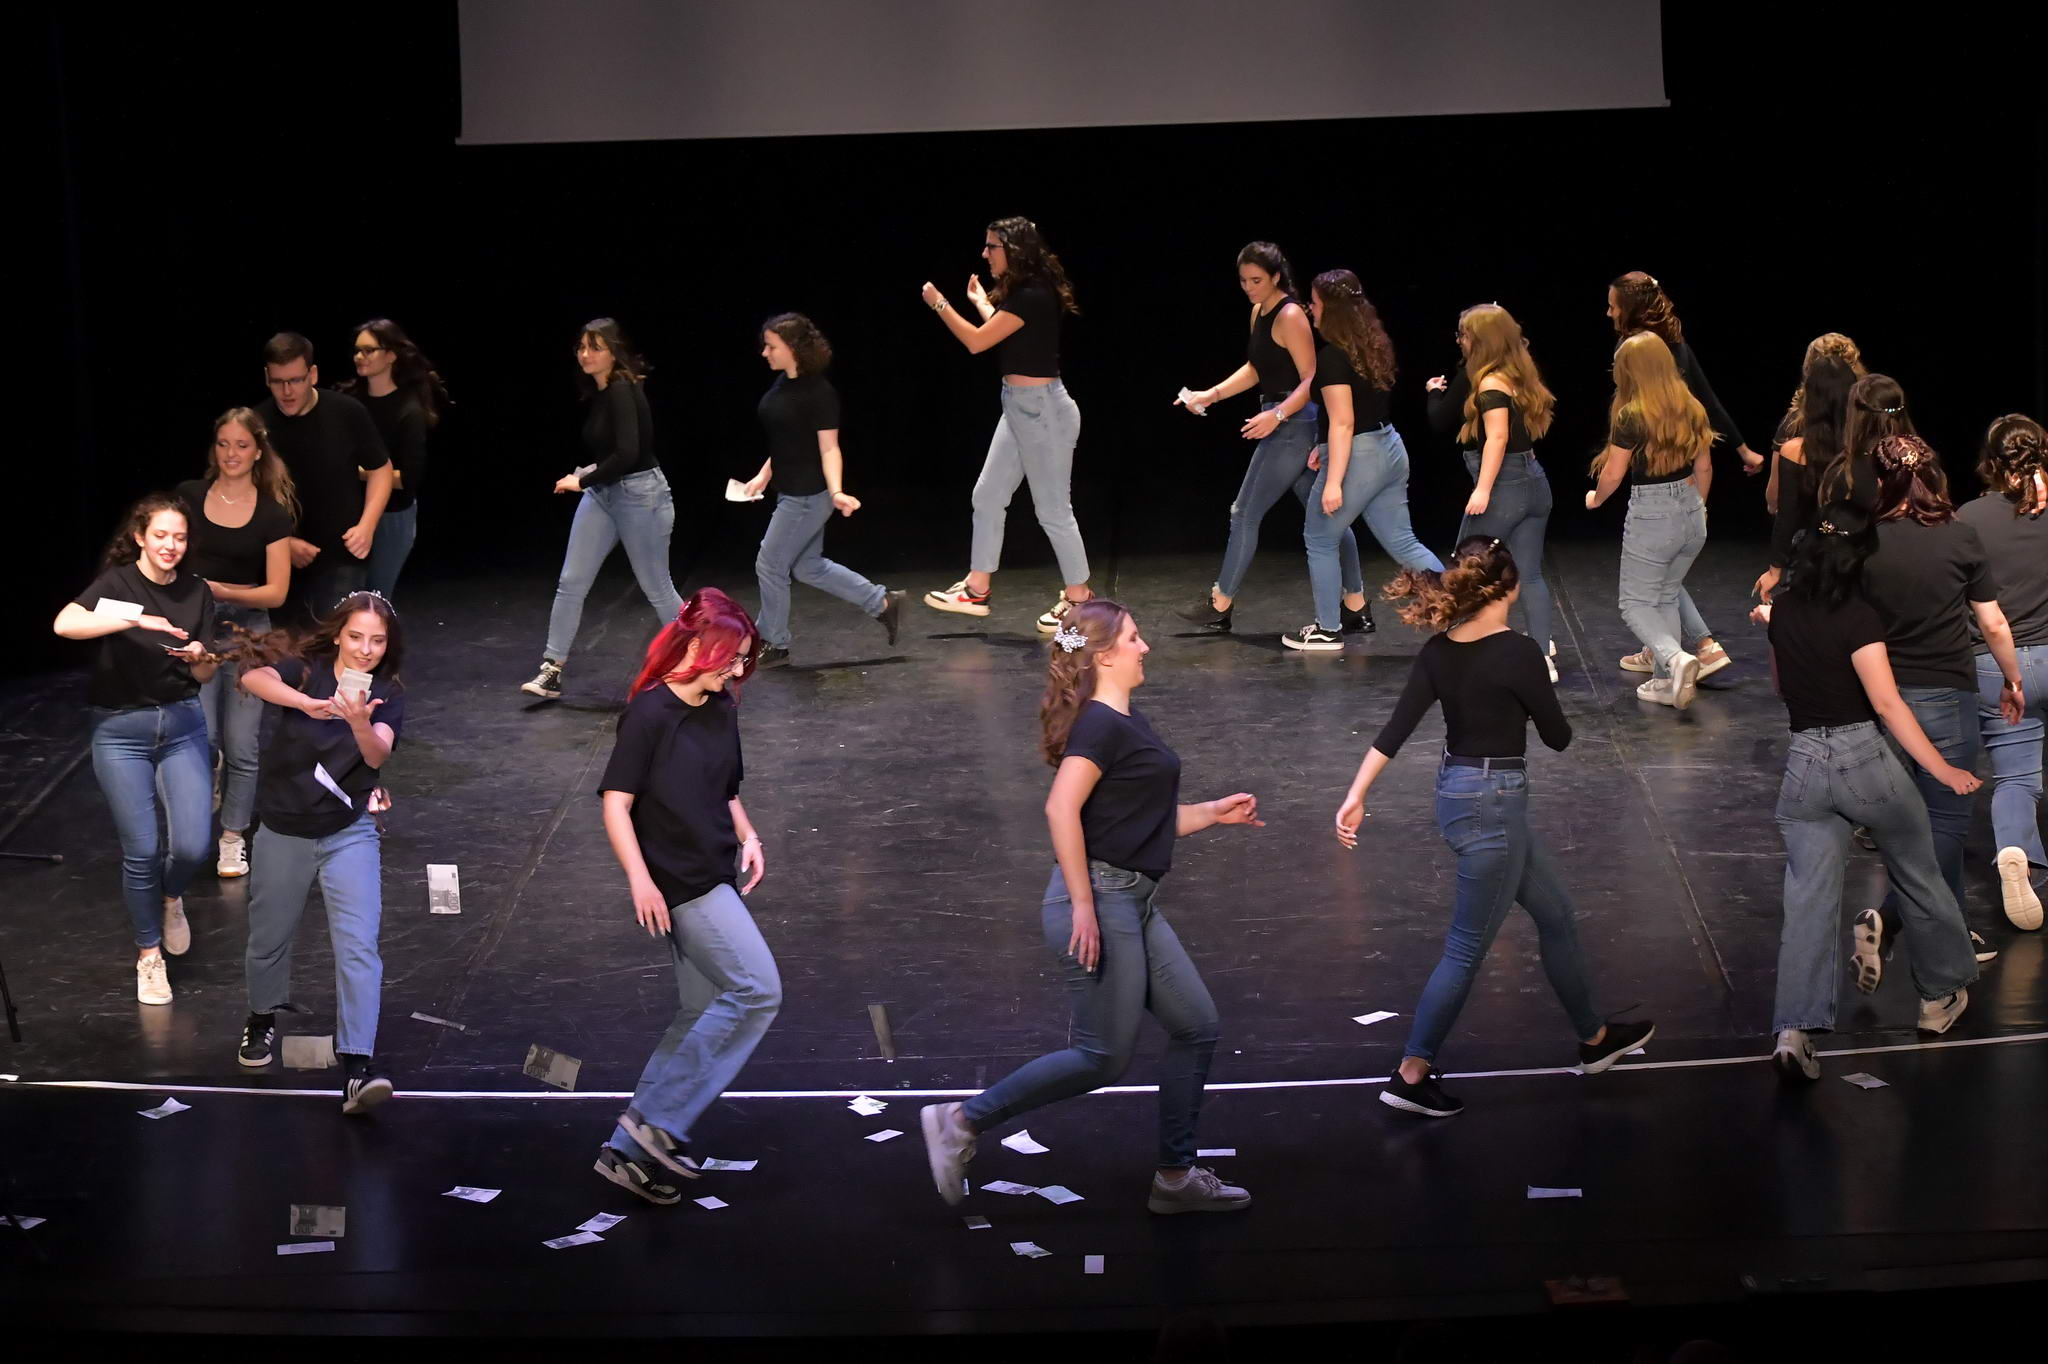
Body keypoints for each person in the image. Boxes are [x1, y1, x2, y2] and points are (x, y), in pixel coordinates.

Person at [919, 599, 1263, 1214]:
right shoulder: (1101, 724)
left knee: (1197, 1026)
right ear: (1104, 655)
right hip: (1103, 899)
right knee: (1103, 1056)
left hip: (1133, 900)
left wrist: (1212, 814)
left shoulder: (1126, 719)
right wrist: (1084, 904)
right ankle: (961, 1121)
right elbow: (1061, 808)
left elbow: (1138, 821)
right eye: (1134, 638)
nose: (1145, 647)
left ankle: (1175, 1178)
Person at [1333, 537, 1654, 1118]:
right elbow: (1558, 737)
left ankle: (1596, 1038)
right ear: (1508, 589)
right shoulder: (1520, 652)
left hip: (1458, 794)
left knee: (1556, 916)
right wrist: (1533, 696)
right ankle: (1411, 1073)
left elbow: (1394, 731)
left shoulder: (1440, 650)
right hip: (1494, 807)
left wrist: (1356, 795)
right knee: (1465, 949)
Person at [1749, 502, 1980, 1080]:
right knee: (1918, 870)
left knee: (1807, 897)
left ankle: (1794, 1030)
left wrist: (1775, 625)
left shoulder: (1782, 611)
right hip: (1863, 760)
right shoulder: (1859, 619)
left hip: (1804, 766)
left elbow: (1782, 685)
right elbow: (1887, 704)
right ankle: (1940, 997)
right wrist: (1943, 770)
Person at [593, 589, 778, 1206]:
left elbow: (726, 789)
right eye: (732, 657)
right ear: (698, 645)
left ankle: (626, 1151)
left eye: (744, 659)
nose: (738, 670)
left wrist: (749, 836)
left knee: (699, 1011)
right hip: (681, 882)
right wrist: (639, 879)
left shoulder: (720, 706)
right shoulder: (649, 714)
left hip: (713, 868)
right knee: (757, 989)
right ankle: (659, 1122)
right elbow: (616, 803)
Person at [1856, 434, 2026, 983]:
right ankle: (1895, 918)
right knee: (1946, 824)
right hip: (1945, 695)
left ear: (1880, 480)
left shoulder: (1861, 540)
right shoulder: (1960, 535)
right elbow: (1992, 622)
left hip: (1878, 696)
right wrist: (2012, 679)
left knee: (1909, 824)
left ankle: (1946, 927)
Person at [232, 592, 406, 1115]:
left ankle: (357, 1065)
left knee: (358, 945)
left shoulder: (387, 693)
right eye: (356, 637)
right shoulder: (305, 669)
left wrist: (358, 722)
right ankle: (261, 1017)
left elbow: (378, 751)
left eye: (377, 641)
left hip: (347, 831)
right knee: (269, 937)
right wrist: (304, 703)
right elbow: (253, 678)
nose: (366, 649)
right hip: (284, 828)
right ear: (339, 635)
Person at [52, 495, 217, 1004]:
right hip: (120, 730)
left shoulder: (196, 590)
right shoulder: (119, 584)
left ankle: (171, 896)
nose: (171, 545)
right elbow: (65, 624)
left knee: (192, 846)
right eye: (161, 535)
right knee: (142, 851)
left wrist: (199, 656)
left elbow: (205, 673)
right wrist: (135, 621)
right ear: (141, 536)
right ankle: (149, 955)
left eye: (180, 537)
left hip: (183, 724)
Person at [1174, 244, 1368, 638]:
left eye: (1257, 280)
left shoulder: (1291, 315)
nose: (1249, 287)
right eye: (1244, 281)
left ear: (1276, 277)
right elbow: (1255, 368)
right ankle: (1356, 606)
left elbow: (1313, 378)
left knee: (1244, 513)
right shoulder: (1258, 312)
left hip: (1293, 425)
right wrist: (1211, 394)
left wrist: (1277, 415)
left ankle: (1220, 603)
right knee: (1329, 517)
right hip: (1283, 420)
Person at [919, 216, 1094, 634]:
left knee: (1053, 511)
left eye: (991, 246)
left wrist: (940, 304)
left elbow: (978, 341)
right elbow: (1003, 328)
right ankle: (977, 589)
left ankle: (1080, 600)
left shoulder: (1033, 293)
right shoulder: (1025, 293)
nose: (985, 254)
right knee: (988, 495)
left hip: (1044, 413)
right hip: (1019, 408)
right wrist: (981, 302)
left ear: (1013, 250)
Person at [520, 319, 683, 700]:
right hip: (604, 493)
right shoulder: (602, 391)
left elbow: (629, 454)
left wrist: (582, 482)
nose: (585, 354)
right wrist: (587, 475)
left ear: (614, 352)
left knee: (657, 587)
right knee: (571, 582)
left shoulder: (622, 389)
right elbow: (612, 455)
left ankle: (704, 659)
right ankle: (552, 669)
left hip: (641, 496)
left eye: (595, 347)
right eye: (581, 347)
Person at [1603, 272, 1754, 678]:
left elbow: (1615, 469)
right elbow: (1706, 410)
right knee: (1664, 581)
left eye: (1613, 305)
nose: (1609, 312)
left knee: (1645, 591)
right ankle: (1673, 655)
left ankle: (1686, 651)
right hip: (1686, 490)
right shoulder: (1676, 347)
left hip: (1655, 490)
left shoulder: (1636, 352)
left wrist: (1597, 497)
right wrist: (1739, 451)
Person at [1282, 269, 1440, 650]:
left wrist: (1334, 481)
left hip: (1360, 456)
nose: (1310, 309)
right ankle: (1465, 612)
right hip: (1389, 449)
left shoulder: (1333, 357)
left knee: (1319, 537)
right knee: (1404, 542)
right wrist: (1322, 448)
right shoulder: (1371, 345)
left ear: (1331, 309)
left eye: (1315, 303)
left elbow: (1344, 421)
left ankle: (1327, 628)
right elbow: (1357, 412)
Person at [737, 313, 904, 668]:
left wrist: (837, 491)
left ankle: (774, 642)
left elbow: (829, 449)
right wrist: (764, 475)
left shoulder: (819, 393)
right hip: (790, 491)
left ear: (793, 348)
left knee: (770, 564)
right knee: (808, 567)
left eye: (771, 346)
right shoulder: (783, 383)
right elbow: (787, 439)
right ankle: (883, 602)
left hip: (807, 496)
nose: (765, 353)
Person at [177, 409, 297, 879]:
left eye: (241, 445)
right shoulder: (191, 496)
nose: (231, 453)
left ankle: (232, 838)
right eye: (223, 443)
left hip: (249, 633)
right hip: (200, 628)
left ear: (258, 451)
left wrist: (222, 590)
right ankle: (208, 787)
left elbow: (277, 592)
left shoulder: (271, 513)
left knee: (242, 744)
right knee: (203, 737)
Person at [1425, 305, 1561, 680]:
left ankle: (1461, 652)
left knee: (1465, 566)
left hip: (1505, 487)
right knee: (1529, 575)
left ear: (1480, 340)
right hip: (1534, 482)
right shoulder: (1517, 374)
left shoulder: (1489, 384)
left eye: (1465, 334)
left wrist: (1483, 490)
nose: (1460, 341)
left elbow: (1497, 437)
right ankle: (1541, 658)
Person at [1584, 332, 1716, 710]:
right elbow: (1704, 467)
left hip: (1654, 514)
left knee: (1635, 603)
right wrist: (1699, 508)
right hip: (1692, 509)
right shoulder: (1691, 406)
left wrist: (1596, 499)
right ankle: (1665, 681)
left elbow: (1613, 473)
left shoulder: (1633, 414)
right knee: (1665, 596)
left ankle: (1675, 659)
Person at [1960, 414, 2048, 929]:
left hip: (1997, 666)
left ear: (1990, 462)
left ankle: (2018, 852)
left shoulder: (1968, 518)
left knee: (2016, 778)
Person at [255, 332, 392, 617]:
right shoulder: (257, 424)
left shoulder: (346, 412)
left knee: (333, 633)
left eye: (296, 380)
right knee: (287, 639)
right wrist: (283, 542)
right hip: (281, 557)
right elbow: (245, 492)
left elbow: (381, 469)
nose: (287, 391)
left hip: (341, 554)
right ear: (267, 377)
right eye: (278, 382)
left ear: (313, 374)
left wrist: (367, 526)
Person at [344, 319, 447, 599]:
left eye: (369, 350)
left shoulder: (408, 410)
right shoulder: (350, 400)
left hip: (392, 515)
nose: (360, 356)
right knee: (345, 595)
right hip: (349, 511)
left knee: (375, 596)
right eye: (357, 351)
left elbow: (409, 479)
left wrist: (358, 473)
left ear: (390, 355)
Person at [1755, 350, 1860, 602]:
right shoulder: (1864, 446)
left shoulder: (1795, 450)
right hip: (1861, 552)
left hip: (1813, 555)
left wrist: (1775, 570)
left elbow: (1787, 514)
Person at [1763, 332, 1865, 520]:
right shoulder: (1871, 419)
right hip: (1863, 527)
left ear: (1809, 370)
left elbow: (1774, 499)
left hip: (1808, 528)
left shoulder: (1794, 423)